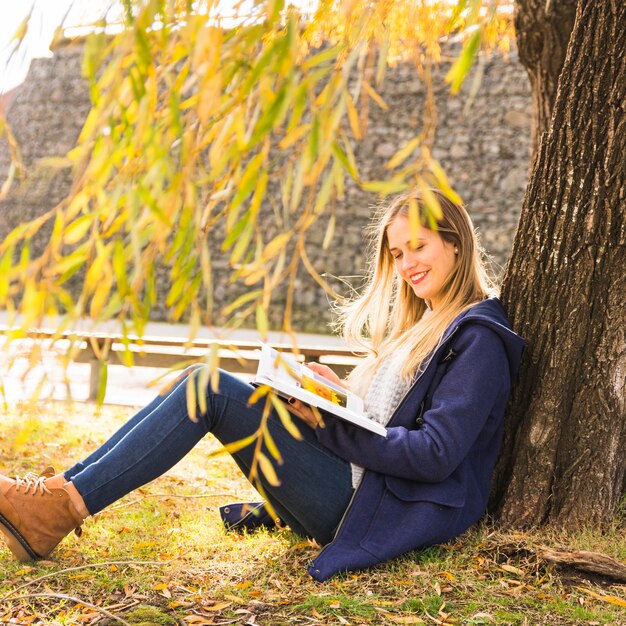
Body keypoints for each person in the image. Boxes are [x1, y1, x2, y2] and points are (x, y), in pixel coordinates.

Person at [0, 189, 523, 581]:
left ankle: (57, 508)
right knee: (196, 380)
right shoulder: (425, 326)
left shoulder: (478, 339)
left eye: (418, 248)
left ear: (455, 244)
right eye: (396, 254)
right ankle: (56, 496)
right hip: (356, 483)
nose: (407, 264)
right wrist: (334, 394)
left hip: (371, 506)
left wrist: (333, 425)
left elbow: (434, 453)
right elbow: (390, 418)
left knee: (209, 387)